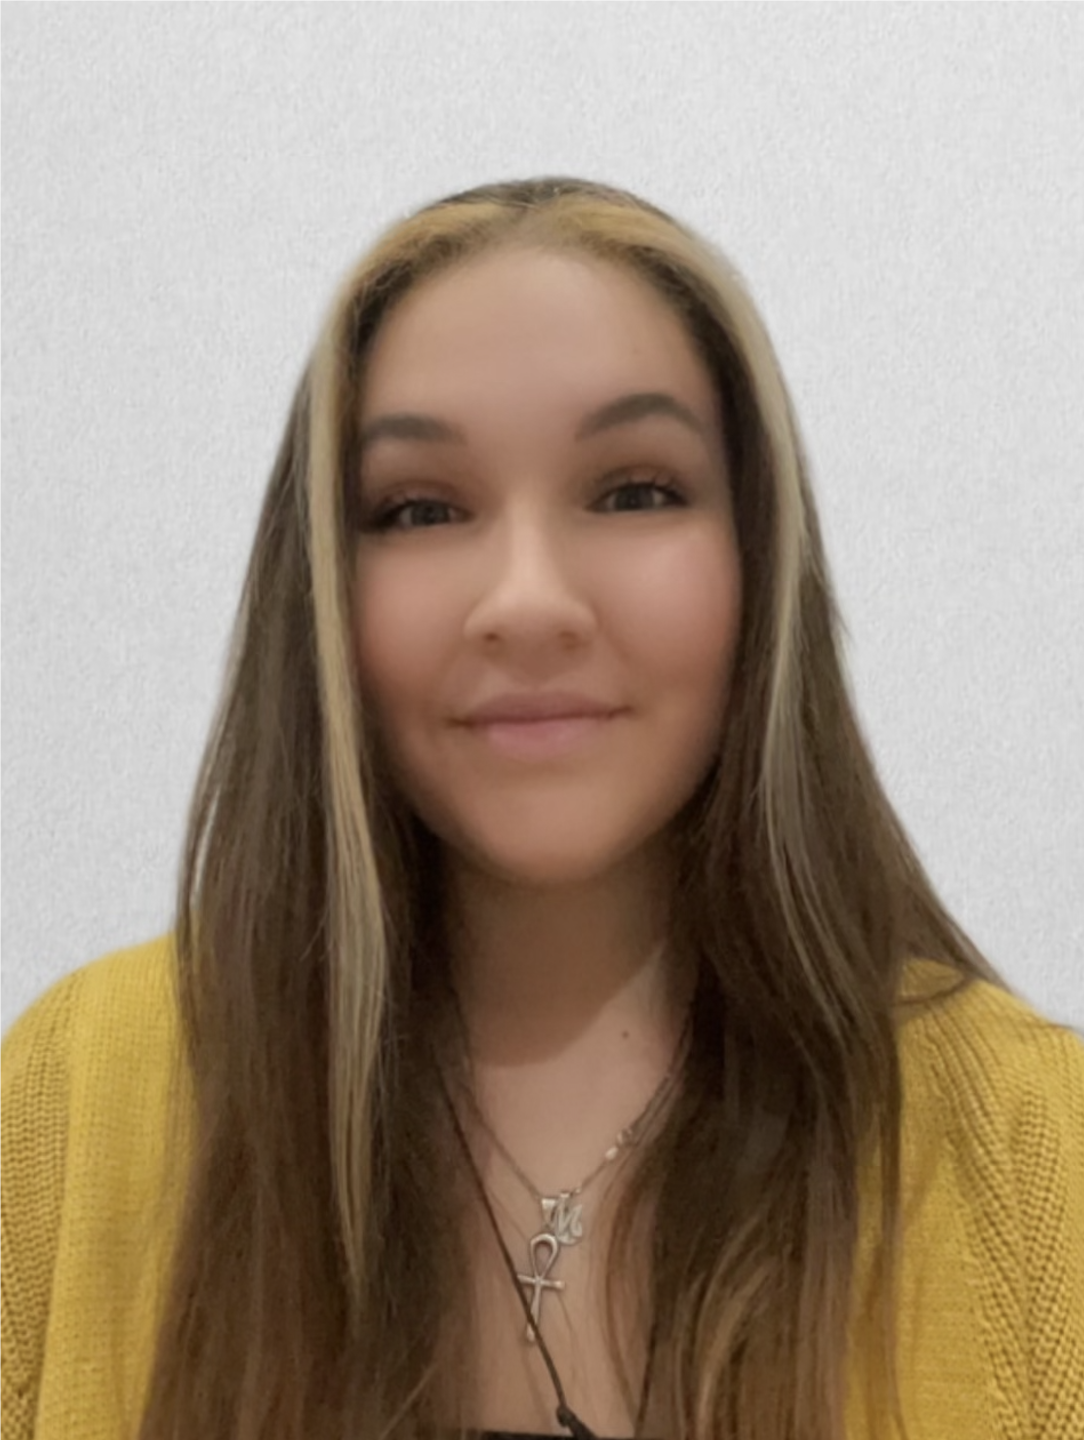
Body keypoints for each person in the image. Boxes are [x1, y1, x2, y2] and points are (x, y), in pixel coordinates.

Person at [0, 176, 1081, 1440]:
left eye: (633, 491)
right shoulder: (72, 1110)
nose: (525, 602)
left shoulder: (1032, 1156)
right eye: (420, 509)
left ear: (758, 561)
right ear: (324, 593)